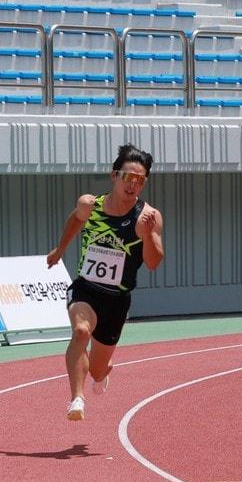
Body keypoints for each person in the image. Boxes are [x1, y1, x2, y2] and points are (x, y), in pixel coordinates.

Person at [46, 144, 164, 421]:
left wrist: (147, 236)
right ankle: (77, 399)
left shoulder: (148, 217)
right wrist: (60, 249)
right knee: (81, 332)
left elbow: (154, 262)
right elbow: (76, 220)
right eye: (128, 177)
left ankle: (102, 372)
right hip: (86, 288)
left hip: (117, 299)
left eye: (140, 180)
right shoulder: (90, 204)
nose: (133, 184)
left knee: (97, 370)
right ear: (114, 175)